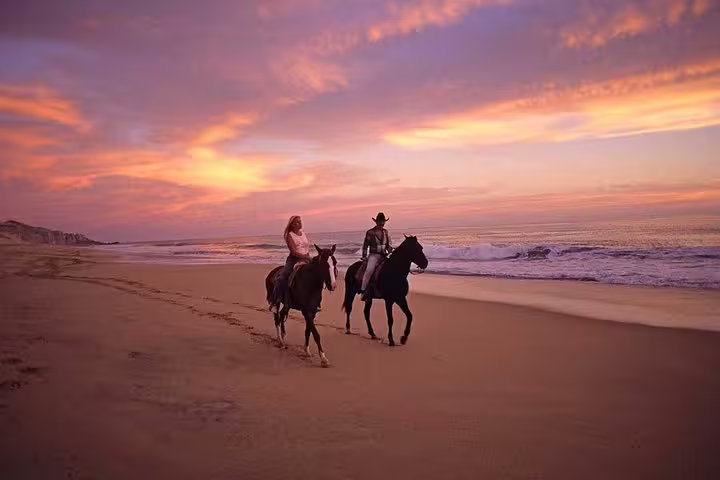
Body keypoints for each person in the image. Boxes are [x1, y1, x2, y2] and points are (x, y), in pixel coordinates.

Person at [271, 215, 312, 312]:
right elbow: (294, 252)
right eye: (297, 222)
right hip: (294, 260)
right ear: (292, 225)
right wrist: (305, 257)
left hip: (306, 259)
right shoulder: (289, 235)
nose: (299, 223)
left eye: (300, 221)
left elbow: (306, 247)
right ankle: (274, 302)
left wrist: (309, 257)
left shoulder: (303, 233)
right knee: (282, 278)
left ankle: (314, 302)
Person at [360, 212, 394, 300]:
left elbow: (388, 245)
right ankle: (363, 291)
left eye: (383, 222)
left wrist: (391, 250)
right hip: (373, 255)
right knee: (369, 270)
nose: (382, 223)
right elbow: (365, 246)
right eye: (380, 221)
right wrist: (364, 257)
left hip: (384, 255)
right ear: (376, 222)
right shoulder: (370, 232)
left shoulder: (386, 232)